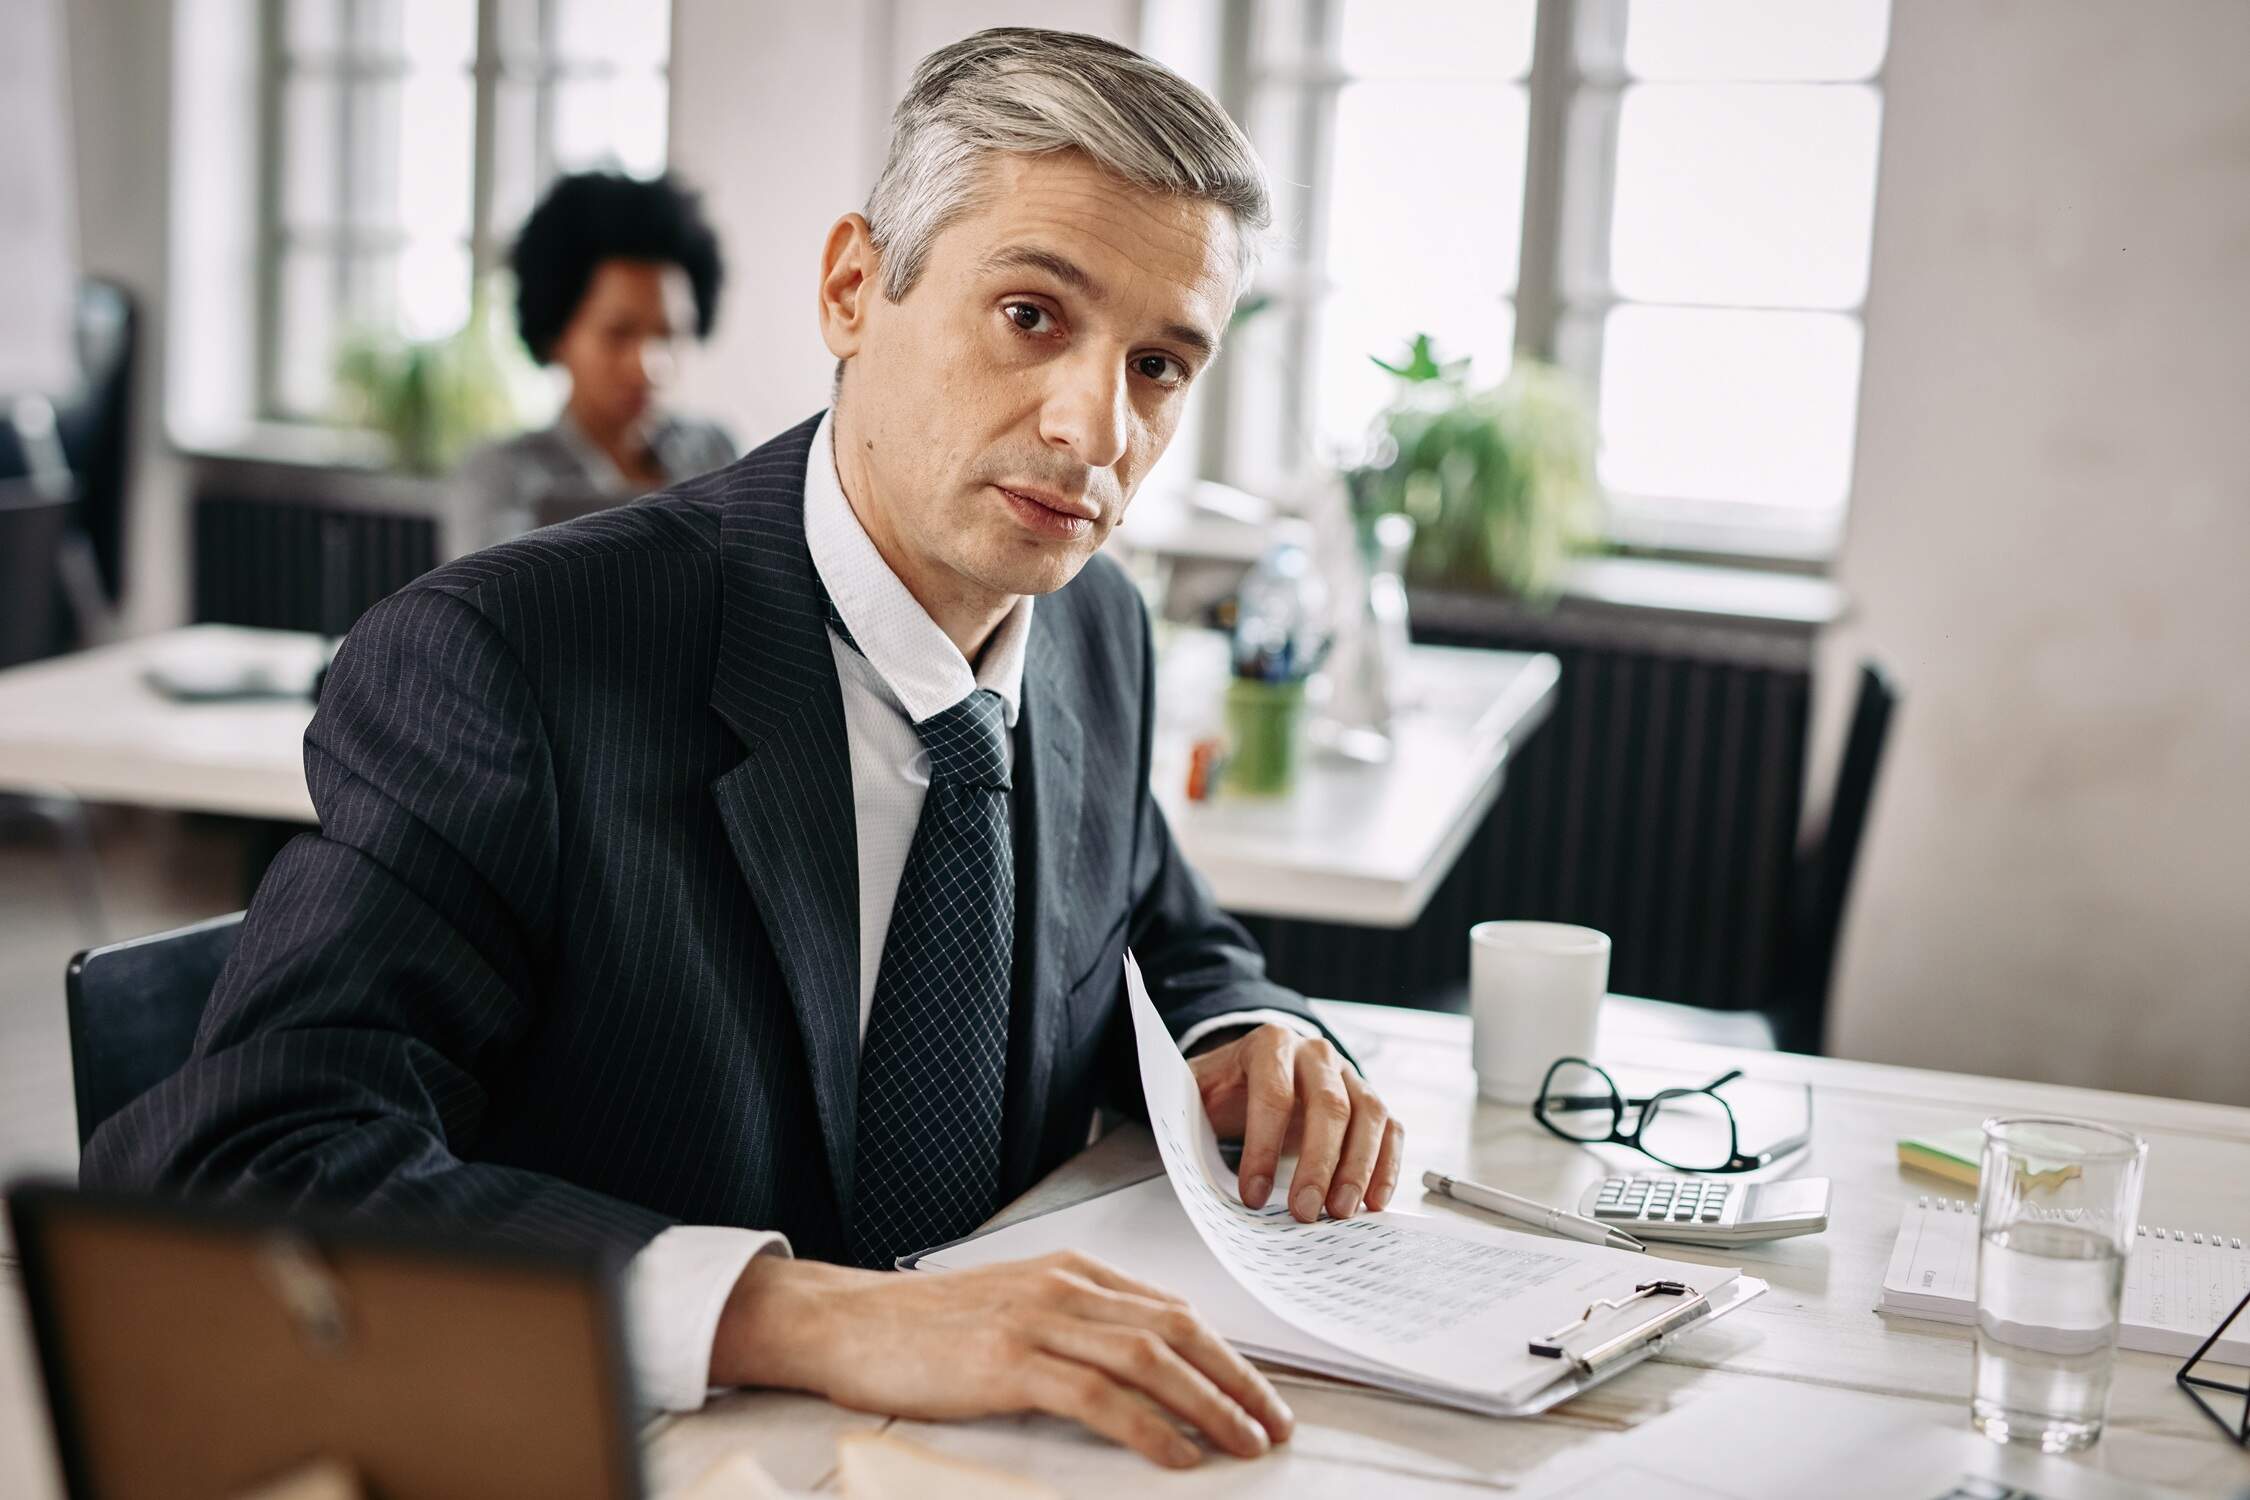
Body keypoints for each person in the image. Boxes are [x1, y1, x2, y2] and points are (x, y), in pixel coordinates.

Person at [84, 28, 1406, 1471]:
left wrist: (1246, 1034)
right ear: (853, 287)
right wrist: (804, 1315)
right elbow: (240, 1165)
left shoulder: (1095, 635)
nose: (1094, 425)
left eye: (1158, 365)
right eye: (1031, 315)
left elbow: (1154, 931)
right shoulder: (511, 659)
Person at [455, 171, 737, 550]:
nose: (650, 366)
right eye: (619, 333)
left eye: (669, 334)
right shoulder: (505, 476)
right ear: (557, 334)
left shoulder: (714, 451)